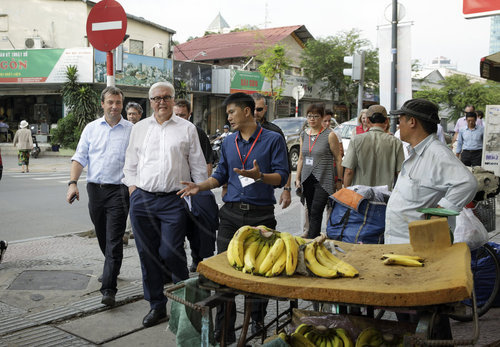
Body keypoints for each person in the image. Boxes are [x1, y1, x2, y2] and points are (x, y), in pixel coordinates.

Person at [178, 92, 289, 344]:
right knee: (225, 275)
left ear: (247, 112)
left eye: (231, 112)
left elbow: (282, 177)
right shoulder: (229, 142)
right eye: (227, 113)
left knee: (259, 274)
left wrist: (260, 176)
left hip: (261, 215)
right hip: (229, 215)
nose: (228, 117)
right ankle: (223, 330)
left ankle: (258, 322)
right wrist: (200, 186)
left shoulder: (273, 139)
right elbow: (221, 175)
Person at [122, 82, 207, 328]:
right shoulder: (139, 128)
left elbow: (198, 165)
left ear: (173, 100)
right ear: (151, 102)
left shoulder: (187, 128)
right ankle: (157, 306)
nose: (162, 102)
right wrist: (133, 190)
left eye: (166, 97)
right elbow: (130, 163)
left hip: (174, 199)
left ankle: (184, 304)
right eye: (157, 98)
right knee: (147, 255)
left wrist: (198, 194)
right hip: (143, 199)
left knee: (171, 252)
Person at [66, 86, 133, 307]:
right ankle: (111, 268)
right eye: (110, 102)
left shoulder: (132, 130)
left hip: (119, 191)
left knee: (114, 238)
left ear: (122, 104)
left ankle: (109, 288)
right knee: (103, 236)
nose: (114, 106)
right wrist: (72, 184)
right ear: (102, 104)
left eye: (118, 102)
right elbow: (79, 157)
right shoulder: (91, 128)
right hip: (95, 189)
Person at [385, 98, 477, 244]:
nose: (398, 126)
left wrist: (440, 212)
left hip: (418, 245)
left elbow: (468, 183)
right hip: (402, 242)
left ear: (412, 122)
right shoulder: (418, 152)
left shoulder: (437, 153)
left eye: (400, 120)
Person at [174, 99, 216, 272]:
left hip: (195, 189)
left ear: (189, 115)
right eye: (176, 115)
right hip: (173, 190)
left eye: (182, 115)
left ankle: (198, 258)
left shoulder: (197, 133)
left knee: (199, 229)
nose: (179, 118)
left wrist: (201, 186)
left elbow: (208, 162)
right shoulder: (164, 131)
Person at [295, 104, 343, 239]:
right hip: (307, 178)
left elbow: (338, 158)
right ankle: (313, 237)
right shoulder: (303, 135)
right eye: (310, 116)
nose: (312, 119)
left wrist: (339, 180)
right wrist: (297, 178)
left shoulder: (330, 135)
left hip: (324, 179)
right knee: (310, 210)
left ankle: (312, 240)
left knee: (316, 210)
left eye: (316, 116)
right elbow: (301, 158)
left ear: (322, 118)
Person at [342, 105, 404, 190]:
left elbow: (349, 171)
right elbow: (400, 173)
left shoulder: (356, 140)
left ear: (367, 120)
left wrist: (346, 192)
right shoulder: (396, 142)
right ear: (386, 121)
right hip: (385, 197)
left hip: (360, 196)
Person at [252, 93, 292, 208]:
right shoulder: (238, 131)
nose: (255, 113)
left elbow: (286, 164)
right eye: (253, 109)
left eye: (259, 109)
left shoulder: (275, 133)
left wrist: (287, 189)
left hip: (265, 192)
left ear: (265, 109)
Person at [122, 102, 144, 246]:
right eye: (129, 114)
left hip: (141, 174)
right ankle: (126, 231)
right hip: (125, 173)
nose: (131, 116)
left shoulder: (145, 129)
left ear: (140, 115)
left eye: (134, 114)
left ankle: (130, 231)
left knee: (135, 203)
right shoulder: (123, 128)